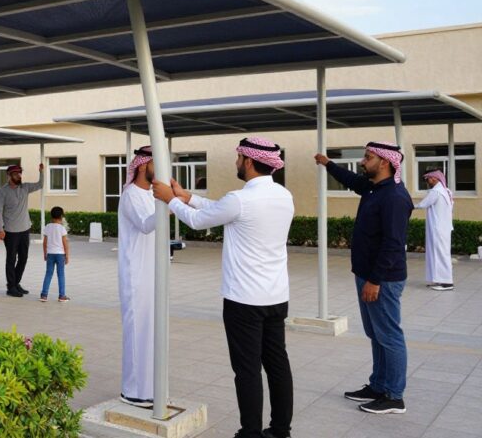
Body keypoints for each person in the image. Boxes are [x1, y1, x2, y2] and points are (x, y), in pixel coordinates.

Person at [155, 137, 295, 438]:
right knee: (277, 365)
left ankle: (251, 433)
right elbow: (219, 209)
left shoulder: (241, 199)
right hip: (276, 296)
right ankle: (281, 430)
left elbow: (197, 221)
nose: (236, 163)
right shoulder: (284, 196)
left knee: (247, 370)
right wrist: (187, 196)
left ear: (248, 160)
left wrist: (171, 199)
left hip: (244, 301)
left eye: (238, 158)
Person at [316, 141, 412, 416]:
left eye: (367, 158)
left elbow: (393, 244)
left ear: (384, 162)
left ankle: (394, 396)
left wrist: (375, 280)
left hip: (382, 279)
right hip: (367, 275)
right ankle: (378, 386)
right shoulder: (374, 188)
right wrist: (328, 163)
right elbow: (352, 180)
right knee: (376, 334)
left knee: (390, 336)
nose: (362, 161)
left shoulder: (393, 196)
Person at [116, 145, 157, 409]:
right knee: (135, 330)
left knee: (150, 331)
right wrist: (169, 204)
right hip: (135, 274)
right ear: (142, 166)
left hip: (152, 272)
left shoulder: (153, 195)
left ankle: (149, 388)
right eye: (156, 163)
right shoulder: (130, 195)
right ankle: (132, 390)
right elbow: (145, 225)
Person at [0, 163, 44, 297]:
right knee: (11, 259)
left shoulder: (25, 187)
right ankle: (11, 287)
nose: (19, 176)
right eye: (16, 174)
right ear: (9, 176)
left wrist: (41, 171)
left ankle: (16, 283)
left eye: (20, 173)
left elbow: (40, 184)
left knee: (23, 258)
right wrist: (0, 228)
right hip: (10, 231)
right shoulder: (3, 191)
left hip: (24, 230)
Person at [416, 168, 454, 290]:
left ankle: (447, 282)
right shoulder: (446, 191)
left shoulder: (436, 192)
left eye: (428, 179)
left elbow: (423, 204)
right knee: (438, 253)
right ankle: (438, 280)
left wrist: (407, 205)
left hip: (438, 229)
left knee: (440, 254)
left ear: (435, 178)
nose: (428, 181)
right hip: (443, 228)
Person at [40, 206, 70, 303]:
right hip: (60, 254)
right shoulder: (62, 229)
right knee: (61, 274)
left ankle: (44, 295)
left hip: (50, 254)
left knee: (48, 274)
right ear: (61, 216)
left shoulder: (48, 227)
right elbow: (65, 243)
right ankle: (62, 296)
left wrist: (45, 254)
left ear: (51, 216)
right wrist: (67, 256)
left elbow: (44, 243)